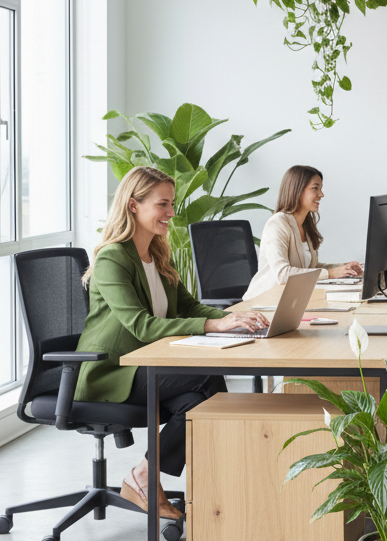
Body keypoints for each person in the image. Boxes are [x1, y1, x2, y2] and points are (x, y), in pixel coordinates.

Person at [77, 166, 270, 521]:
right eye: (163, 204)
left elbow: (187, 306)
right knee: (205, 379)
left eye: (172, 203)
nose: (171, 212)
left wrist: (234, 319)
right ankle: (219, 479)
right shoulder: (112, 259)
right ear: (133, 205)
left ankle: (145, 475)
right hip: (112, 371)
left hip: (146, 365)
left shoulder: (158, 254)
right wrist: (214, 324)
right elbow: (141, 325)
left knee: (198, 403)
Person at [242, 164, 363, 300]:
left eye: (321, 188)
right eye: (315, 188)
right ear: (297, 190)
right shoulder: (277, 223)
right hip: (264, 302)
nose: (321, 194)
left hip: (292, 301)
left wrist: (344, 268)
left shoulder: (305, 224)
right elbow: (283, 274)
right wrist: (330, 273)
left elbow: (310, 267)